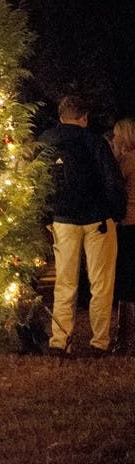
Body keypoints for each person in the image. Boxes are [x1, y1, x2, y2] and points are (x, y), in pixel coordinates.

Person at [39, 96, 126, 356]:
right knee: (101, 282)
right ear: (84, 117)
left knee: (65, 281)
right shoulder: (95, 142)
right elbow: (112, 180)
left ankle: (60, 339)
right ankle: (100, 341)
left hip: (63, 219)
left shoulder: (47, 141)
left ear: (61, 115)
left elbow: (39, 183)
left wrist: (46, 217)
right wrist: (116, 213)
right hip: (98, 219)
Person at [111, 118, 135, 353]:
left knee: (127, 279)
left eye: (116, 134)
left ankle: (125, 336)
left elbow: (115, 188)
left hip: (129, 224)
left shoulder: (126, 161)